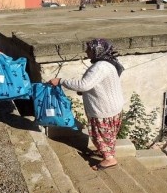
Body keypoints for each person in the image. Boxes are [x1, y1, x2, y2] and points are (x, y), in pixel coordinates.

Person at [49, 38, 124, 170]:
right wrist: (85, 92)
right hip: (114, 106)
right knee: (109, 134)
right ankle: (107, 152)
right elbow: (97, 84)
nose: (86, 51)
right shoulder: (109, 63)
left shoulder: (99, 67)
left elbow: (84, 85)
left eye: (89, 49)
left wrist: (61, 81)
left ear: (97, 50)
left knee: (99, 135)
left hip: (103, 109)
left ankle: (109, 159)